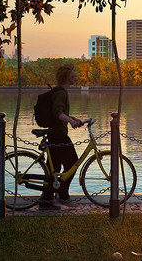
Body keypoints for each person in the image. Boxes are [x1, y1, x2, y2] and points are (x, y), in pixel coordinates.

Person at [39, 63, 83, 209]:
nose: (75, 77)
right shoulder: (61, 92)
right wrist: (70, 121)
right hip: (58, 135)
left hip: (55, 134)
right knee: (73, 163)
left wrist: (72, 118)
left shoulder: (60, 91)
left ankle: (47, 201)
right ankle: (62, 195)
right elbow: (57, 113)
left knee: (55, 169)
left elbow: (59, 113)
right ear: (68, 78)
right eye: (73, 75)